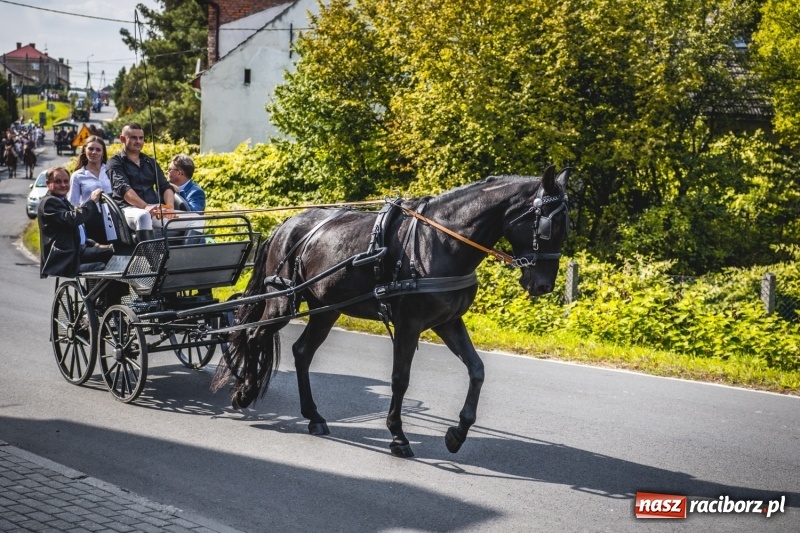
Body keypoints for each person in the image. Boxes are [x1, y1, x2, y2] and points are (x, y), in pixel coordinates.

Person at [38, 166, 114, 278]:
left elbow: (73, 230)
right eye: (58, 182)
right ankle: (107, 289)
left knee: (111, 249)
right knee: (111, 255)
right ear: (48, 183)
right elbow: (72, 220)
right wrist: (91, 202)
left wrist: (94, 244)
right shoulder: (49, 202)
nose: (63, 185)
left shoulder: (62, 201)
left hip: (76, 251)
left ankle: (101, 287)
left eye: (66, 181)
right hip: (65, 258)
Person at [107, 122, 176, 241]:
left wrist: (170, 208)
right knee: (144, 216)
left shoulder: (150, 162)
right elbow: (124, 189)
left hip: (154, 209)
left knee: (195, 220)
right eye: (133, 138)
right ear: (122, 139)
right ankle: (149, 253)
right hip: (129, 209)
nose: (138, 141)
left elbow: (165, 186)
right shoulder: (115, 162)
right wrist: (145, 206)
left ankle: (181, 253)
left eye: (141, 138)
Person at [69, 136, 113, 243]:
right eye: (91, 149)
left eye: (98, 150)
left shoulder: (111, 171)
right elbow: (73, 203)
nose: (94, 152)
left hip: (112, 219)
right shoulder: (77, 176)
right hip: (89, 220)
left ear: (103, 153)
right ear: (85, 150)